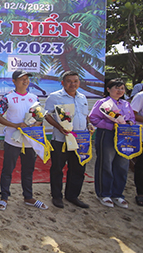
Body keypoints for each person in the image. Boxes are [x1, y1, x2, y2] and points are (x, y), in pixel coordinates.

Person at [0, 70, 48, 211]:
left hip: (30, 140)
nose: (25, 81)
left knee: (28, 170)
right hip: (13, 139)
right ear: (14, 81)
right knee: (8, 169)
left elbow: (39, 116)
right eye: (21, 79)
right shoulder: (7, 97)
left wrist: (35, 125)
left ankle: (28, 197)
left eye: (27, 79)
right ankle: (4, 197)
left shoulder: (33, 97)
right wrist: (15, 125)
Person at [44, 71, 93, 209]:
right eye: (69, 81)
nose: (73, 84)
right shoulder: (55, 97)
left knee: (78, 168)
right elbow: (46, 115)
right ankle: (57, 196)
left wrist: (89, 125)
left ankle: (72, 196)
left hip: (80, 140)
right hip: (61, 139)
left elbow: (85, 115)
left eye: (75, 81)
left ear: (79, 82)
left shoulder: (82, 97)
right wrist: (59, 127)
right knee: (57, 169)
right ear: (63, 83)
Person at [89, 78, 135, 208]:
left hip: (125, 136)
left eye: (122, 88)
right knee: (106, 163)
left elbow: (131, 117)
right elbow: (93, 118)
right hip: (107, 134)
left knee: (122, 164)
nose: (120, 90)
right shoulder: (103, 103)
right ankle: (104, 193)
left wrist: (130, 123)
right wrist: (110, 126)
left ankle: (118, 194)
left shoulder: (126, 104)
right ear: (108, 89)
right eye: (116, 88)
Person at [130, 90, 143, 206]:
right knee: (141, 165)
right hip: (141, 136)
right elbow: (132, 114)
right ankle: (140, 193)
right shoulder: (140, 96)